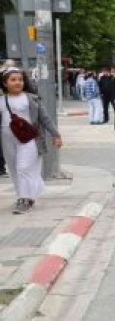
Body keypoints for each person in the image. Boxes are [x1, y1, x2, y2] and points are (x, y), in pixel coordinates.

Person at [1, 67, 62, 214]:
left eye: (20, 80)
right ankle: (26, 196)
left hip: (29, 139)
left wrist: (56, 135)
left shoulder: (31, 98)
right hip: (7, 140)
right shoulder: (2, 101)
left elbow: (45, 118)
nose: (18, 82)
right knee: (14, 169)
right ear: (5, 83)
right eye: (13, 80)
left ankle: (24, 199)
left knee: (23, 168)